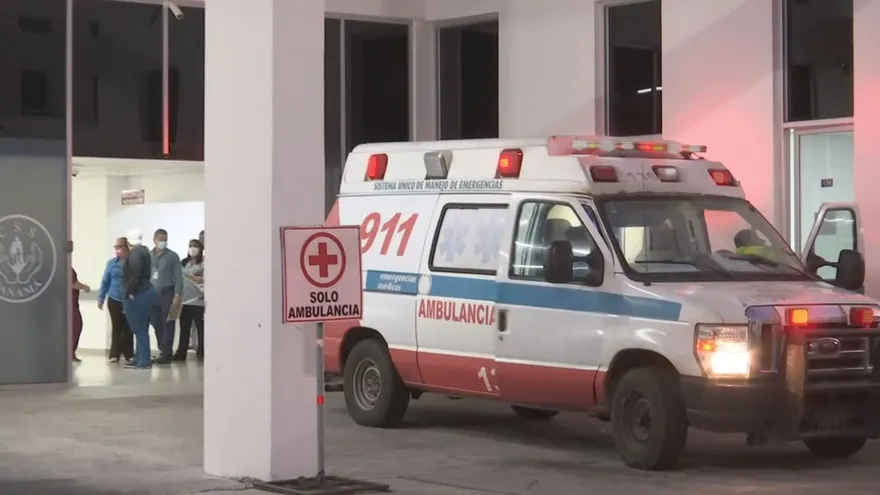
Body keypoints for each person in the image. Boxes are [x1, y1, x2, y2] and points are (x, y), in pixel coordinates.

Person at [123, 230, 156, 370]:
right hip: (146, 292)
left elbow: (135, 275)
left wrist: (130, 292)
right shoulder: (145, 251)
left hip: (138, 294)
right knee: (140, 329)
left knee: (139, 329)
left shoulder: (135, 254)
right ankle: (139, 357)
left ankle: (144, 360)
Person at [149, 229, 183, 364]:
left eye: (165, 239)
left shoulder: (172, 256)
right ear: (154, 240)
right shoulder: (149, 255)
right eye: (161, 239)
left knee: (168, 322)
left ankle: (167, 353)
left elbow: (179, 277)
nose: (163, 242)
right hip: (152, 294)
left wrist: (178, 294)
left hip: (168, 293)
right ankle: (162, 350)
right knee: (156, 323)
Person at [98, 237, 134, 363]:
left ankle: (129, 354)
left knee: (128, 327)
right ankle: (114, 354)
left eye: (120, 247)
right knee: (116, 327)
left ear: (127, 247)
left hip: (128, 299)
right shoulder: (111, 263)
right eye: (116, 247)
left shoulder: (132, 262)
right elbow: (105, 281)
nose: (117, 249)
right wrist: (101, 298)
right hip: (114, 299)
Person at [175, 239, 205, 362]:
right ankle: (181, 353)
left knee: (200, 328)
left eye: (195, 246)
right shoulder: (184, 262)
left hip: (198, 301)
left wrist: (195, 278)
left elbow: (204, 279)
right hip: (185, 301)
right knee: (184, 328)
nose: (192, 248)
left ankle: (202, 352)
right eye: (190, 246)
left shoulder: (204, 263)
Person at [71, 267, 91, 363]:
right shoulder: (65, 269)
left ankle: (70, 353)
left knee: (75, 327)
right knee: (75, 326)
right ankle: (69, 353)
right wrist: (85, 287)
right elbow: (73, 284)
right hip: (70, 305)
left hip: (72, 303)